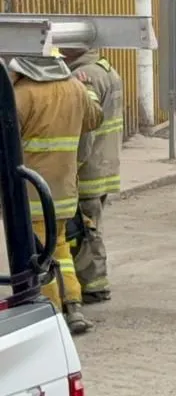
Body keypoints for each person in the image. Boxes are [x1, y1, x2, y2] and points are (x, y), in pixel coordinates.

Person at [9, 49, 103, 334]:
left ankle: (51, 313)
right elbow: (94, 118)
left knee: (39, 256)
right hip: (64, 192)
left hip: (30, 195)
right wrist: (88, 90)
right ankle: (73, 305)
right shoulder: (74, 88)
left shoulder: (22, 93)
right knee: (59, 247)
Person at [62, 48, 123, 306]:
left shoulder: (83, 76)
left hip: (89, 170)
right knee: (90, 226)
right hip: (106, 164)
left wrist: (71, 166)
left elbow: (85, 131)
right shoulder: (106, 69)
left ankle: (95, 285)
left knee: (85, 230)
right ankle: (91, 281)